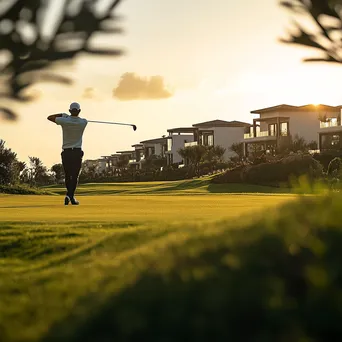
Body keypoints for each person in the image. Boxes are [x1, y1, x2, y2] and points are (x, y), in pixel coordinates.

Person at [47, 102, 88, 205]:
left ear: (70, 111)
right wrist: (67, 117)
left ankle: (70, 196)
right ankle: (70, 196)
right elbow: (81, 119)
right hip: (77, 152)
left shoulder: (64, 121)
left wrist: (62, 115)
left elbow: (49, 117)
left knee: (68, 175)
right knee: (75, 176)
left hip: (66, 152)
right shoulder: (83, 122)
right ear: (79, 111)